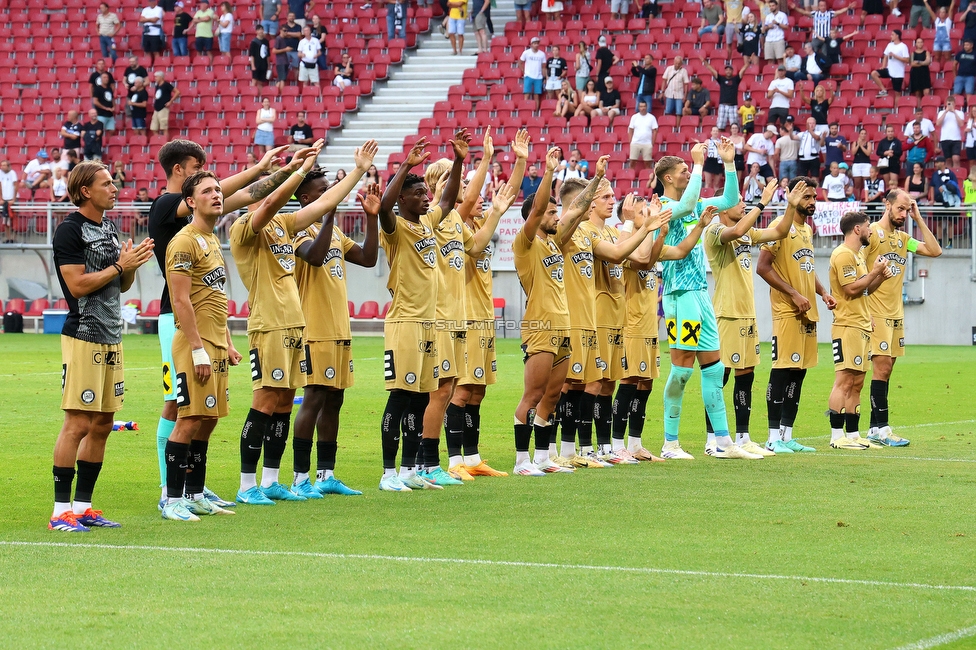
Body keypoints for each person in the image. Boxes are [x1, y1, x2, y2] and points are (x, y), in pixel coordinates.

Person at [147, 140, 297, 508]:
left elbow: (242, 194)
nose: (215, 191)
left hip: (208, 323)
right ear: (181, 171)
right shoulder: (168, 206)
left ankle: (192, 487)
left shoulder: (204, 230)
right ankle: (171, 488)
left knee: (204, 411)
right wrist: (263, 170)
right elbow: (235, 191)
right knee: (178, 405)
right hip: (177, 319)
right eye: (200, 171)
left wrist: (269, 170)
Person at [231, 140, 378, 505]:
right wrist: (295, 172)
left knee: (284, 401)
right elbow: (274, 209)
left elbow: (329, 207)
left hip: (297, 326)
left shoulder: (283, 225)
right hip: (274, 325)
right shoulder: (246, 228)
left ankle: (273, 481)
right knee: (269, 401)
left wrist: (359, 171)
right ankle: (252, 483)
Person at [48, 161, 156, 532]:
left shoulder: (108, 228)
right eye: (107, 184)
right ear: (85, 192)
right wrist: (118, 267)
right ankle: (60, 511)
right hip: (83, 334)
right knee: (77, 422)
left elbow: (120, 287)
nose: (115, 188)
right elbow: (77, 286)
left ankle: (84, 506)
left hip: (112, 336)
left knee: (104, 423)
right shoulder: (69, 230)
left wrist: (131, 266)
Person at [418, 130, 517, 483]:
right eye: (450, 178)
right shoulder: (439, 217)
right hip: (446, 318)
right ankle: (449, 459)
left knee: (475, 389)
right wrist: (484, 160)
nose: (461, 186)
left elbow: (477, 246)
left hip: (472, 317)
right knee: (453, 390)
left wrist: (500, 203)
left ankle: (470, 457)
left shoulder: (462, 225)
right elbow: (464, 197)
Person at [373, 135, 459, 491]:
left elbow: (450, 199)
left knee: (422, 398)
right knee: (401, 397)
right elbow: (382, 209)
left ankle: (410, 471)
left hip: (429, 324)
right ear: (403, 199)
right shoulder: (396, 229)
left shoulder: (427, 224)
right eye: (420, 194)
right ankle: (388, 473)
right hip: (405, 323)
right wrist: (406, 165)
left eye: (427, 193)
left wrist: (459, 161)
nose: (427, 198)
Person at [654, 141, 748, 459]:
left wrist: (729, 164)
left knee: (713, 368)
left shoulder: (696, 205)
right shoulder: (663, 206)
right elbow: (688, 201)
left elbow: (731, 200)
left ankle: (722, 442)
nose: (689, 171)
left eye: (689, 168)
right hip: (680, 298)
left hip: (700, 296)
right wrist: (696, 164)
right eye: (682, 170)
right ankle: (670, 444)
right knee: (682, 370)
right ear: (668, 178)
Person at [159, 170, 241, 521]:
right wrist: (197, 348)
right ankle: (173, 500)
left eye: (219, 190)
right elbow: (181, 301)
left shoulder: (211, 240)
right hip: (194, 344)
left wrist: (228, 343)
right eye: (208, 191)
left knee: (208, 421)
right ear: (190, 201)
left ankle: (194, 495)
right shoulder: (184, 241)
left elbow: (214, 298)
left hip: (215, 344)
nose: (217, 195)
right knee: (189, 419)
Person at [288, 177, 377, 498]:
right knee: (313, 397)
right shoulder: (296, 230)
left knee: (335, 400)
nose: (330, 192)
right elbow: (313, 256)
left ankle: (326, 474)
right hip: (314, 329)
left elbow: (369, 258)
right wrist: (327, 214)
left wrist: (371, 216)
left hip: (340, 329)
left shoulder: (336, 232)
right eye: (323, 190)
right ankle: (300, 478)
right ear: (307, 197)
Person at [575, 170, 664, 466]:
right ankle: (585, 448)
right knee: (594, 384)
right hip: (598, 316)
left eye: (614, 196)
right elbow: (617, 256)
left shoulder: (614, 232)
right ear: (590, 204)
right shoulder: (588, 231)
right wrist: (636, 223)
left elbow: (641, 258)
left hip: (617, 319)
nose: (614, 201)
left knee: (608, 384)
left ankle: (605, 447)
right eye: (607, 197)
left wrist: (655, 229)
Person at [703, 177, 795, 456]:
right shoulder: (714, 230)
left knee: (746, 375)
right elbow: (738, 230)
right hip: (726, 314)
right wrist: (762, 202)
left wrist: (789, 206)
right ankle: (713, 440)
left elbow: (779, 232)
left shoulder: (745, 233)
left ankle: (742, 438)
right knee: (721, 376)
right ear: (723, 204)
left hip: (746, 315)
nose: (743, 204)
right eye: (739, 200)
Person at [509, 147, 579, 475]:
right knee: (533, 394)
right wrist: (549, 172)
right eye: (552, 213)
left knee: (552, 396)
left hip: (562, 325)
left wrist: (595, 183)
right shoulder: (526, 244)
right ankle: (522, 460)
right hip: (539, 325)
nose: (556, 217)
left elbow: (576, 212)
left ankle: (542, 458)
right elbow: (537, 209)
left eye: (555, 213)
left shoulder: (553, 242)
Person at [757, 176, 836, 453]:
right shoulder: (780, 227)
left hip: (808, 312)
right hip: (787, 311)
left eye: (814, 197)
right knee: (781, 371)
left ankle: (786, 435)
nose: (812, 202)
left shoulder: (807, 231)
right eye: (806, 197)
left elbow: (806, 268)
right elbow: (763, 267)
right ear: (791, 197)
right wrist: (793, 293)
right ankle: (771, 437)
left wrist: (822, 292)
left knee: (798, 374)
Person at [863, 191, 942, 446]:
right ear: (887, 205)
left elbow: (934, 250)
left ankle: (875, 428)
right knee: (882, 367)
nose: (903, 214)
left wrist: (918, 218)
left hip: (896, 314)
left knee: (888, 370)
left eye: (907, 210)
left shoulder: (903, 239)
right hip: (876, 312)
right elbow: (856, 266)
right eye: (900, 209)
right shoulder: (872, 233)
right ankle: (882, 429)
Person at [826, 211, 892, 450]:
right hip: (847, 325)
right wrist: (874, 272)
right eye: (867, 227)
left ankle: (853, 434)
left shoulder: (858, 255)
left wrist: (880, 278)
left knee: (858, 382)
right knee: (843, 379)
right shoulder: (843, 254)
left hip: (862, 324)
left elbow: (864, 290)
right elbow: (851, 289)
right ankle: (836, 436)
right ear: (857, 229)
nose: (871, 230)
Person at [703, 58, 749, 131]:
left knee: (735, 126)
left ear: (732, 71)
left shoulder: (736, 79)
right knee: (720, 126)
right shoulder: (721, 79)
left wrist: (748, 62)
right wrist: (705, 63)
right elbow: (712, 71)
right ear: (725, 71)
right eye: (727, 70)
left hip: (733, 105)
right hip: (723, 105)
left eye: (730, 70)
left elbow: (742, 70)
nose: (728, 71)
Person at [871, 30, 911, 101]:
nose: (891, 36)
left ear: (897, 36)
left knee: (897, 94)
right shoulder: (890, 45)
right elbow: (885, 56)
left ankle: (896, 110)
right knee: (874, 73)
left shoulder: (903, 46)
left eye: (892, 34)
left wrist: (895, 56)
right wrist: (883, 65)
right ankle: (883, 90)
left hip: (898, 73)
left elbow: (907, 60)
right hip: (889, 69)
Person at [628, 100, 658, 172]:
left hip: (647, 143)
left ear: (647, 107)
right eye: (641, 106)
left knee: (648, 163)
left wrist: (652, 143)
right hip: (635, 143)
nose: (643, 108)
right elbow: (630, 130)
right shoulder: (634, 117)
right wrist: (631, 141)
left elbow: (655, 131)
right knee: (632, 162)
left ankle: (647, 179)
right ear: (638, 107)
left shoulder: (651, 117)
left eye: (644, 106)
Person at [150, 71, 180, 140]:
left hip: (163, 108)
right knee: (153, 128)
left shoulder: (166, 85)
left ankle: (165, 143)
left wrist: (170, 101)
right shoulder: (157, 86)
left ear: (161, 77)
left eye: (156, 77)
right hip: (156, 108)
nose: (155, 78)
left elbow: (177, 92)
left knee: (164, 128)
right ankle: (158, 140)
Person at [937, 96, 965, 168]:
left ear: (955, 104)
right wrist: (946, 111)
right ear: (946, 104)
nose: (950, 105)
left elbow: (961, 124)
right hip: (945, 138)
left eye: (951, 104)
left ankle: (957, 175)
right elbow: (938, 123)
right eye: (948, 104)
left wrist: (954, 112)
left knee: (956, 159)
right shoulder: (941, 112)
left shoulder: (960, 113)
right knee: (948, 160)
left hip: (956, 139)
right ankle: (949, 176)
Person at [520, 37, 547, 109]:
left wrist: (544, 77)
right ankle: (526, 110)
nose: (536, 45)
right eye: (535, 43)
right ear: (531, 44)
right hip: (528, 76)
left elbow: (544, 67)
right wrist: (524, 71)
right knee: (527, 95)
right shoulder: (526, 53)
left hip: (538, 77)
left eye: (537, 43)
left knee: (536, 96)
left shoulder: (542, 54)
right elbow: (520, 62)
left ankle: (536, 112)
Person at [876, 125, 903, 191]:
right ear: (886, 132)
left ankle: (895, 199)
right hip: (884, 165)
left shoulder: (897, 142)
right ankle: (888, 198)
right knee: (888, 184)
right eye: (889, 131)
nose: (890, 133)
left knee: (894, 184)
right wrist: (885, 153)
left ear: (894, 132)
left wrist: (892, 152)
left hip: (894, 164)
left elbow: (900, 152)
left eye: (891, 131)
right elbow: (878, 152)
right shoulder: (882, 142)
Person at [139, 0, 164, 65]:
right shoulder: (145, 9)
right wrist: (150, 19)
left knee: (156, 51)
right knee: (147, 51)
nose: (151, 2)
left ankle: (157, 65)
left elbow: (155, 20)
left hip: (156, 33)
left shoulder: (159, 9)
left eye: (152, 1)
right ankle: (148, 65)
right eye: (149, 1)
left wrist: (146, 19)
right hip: (146, 32)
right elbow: (141, 19)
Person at [908, 37, 933, 101]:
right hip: (916, 74)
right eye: (918, 42)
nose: (920, 44)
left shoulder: (926, 52)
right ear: (916, 44)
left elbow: (927, 62)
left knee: (926, 92)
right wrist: (923, 63)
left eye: (921, 42)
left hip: (924, 74)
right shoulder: (913, 53)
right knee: (917, 93)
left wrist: (918, 62)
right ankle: (919, 109)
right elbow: (912, 64)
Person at [851, 128, 873, 198]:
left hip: (866, 164)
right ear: (859, 135)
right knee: (857, 184)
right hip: (857, 164)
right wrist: (858, 145)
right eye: (862, 133)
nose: (863, 135)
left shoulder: (868, 143)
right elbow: (853, 152)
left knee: (866, 183)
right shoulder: (855, 143)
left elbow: (868, 153)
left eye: (864, 134)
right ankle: (858, 199)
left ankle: (865, 198)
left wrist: (861, 146)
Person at [0, 160, 15, 242]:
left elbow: (16, 186)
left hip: (11, 200)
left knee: (14, 219)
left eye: (5, 165)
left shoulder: (12, 173)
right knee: (5, 220)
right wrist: (0, 198)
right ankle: (8, 237)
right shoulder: (0, 173)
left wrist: (14, 199)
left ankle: (13, 238)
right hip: (4, 200)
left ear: (8, 166)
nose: (3, 167)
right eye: (2, 165)